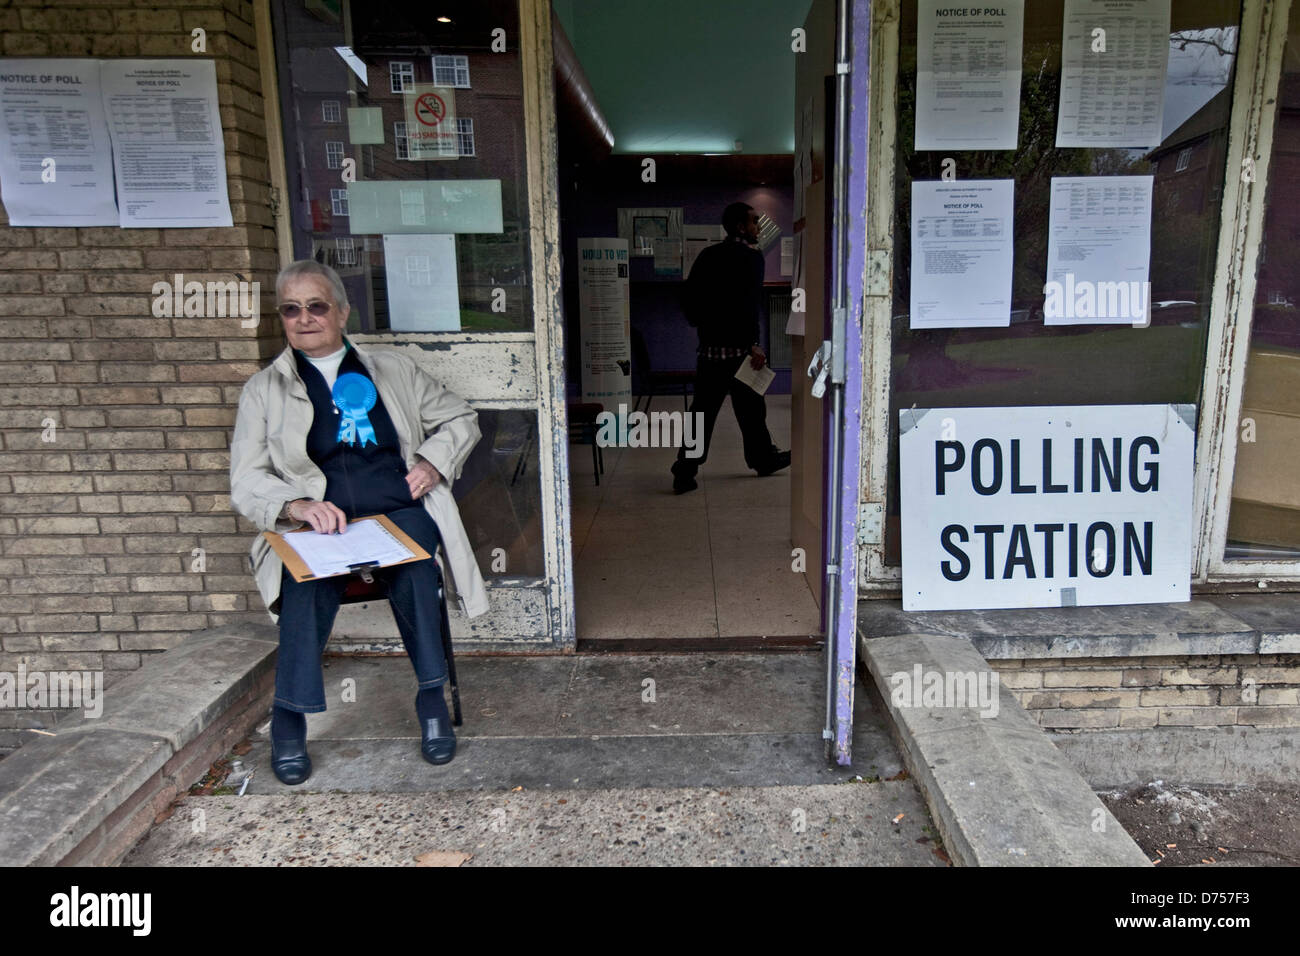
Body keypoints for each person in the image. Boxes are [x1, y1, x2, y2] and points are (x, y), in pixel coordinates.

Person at [229, 260, 488, 785]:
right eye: (291, 309)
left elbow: (461, 418)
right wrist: (296, 507)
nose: (304, 318)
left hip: (398, 510)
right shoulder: (264, 389)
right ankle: (289, 719)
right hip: (320, 525)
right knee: (303, 582)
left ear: (342, 313)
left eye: (316, 305)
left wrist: (433, 463)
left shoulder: (393, 369)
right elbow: (246, 479)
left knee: (416, 567)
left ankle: (431, 698)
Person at [670, 202, 790, 493]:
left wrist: (704, 325)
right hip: (739, 353)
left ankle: (685, 471)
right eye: (754, 222)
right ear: (740, 227)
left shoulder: (708, 255)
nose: (758, 228)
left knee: (702, 413)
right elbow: (747, 305)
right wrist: (755, 344)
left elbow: (689, 299)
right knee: (751, 409)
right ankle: (762, 459)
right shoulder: (752, 258)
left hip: (710, 352)